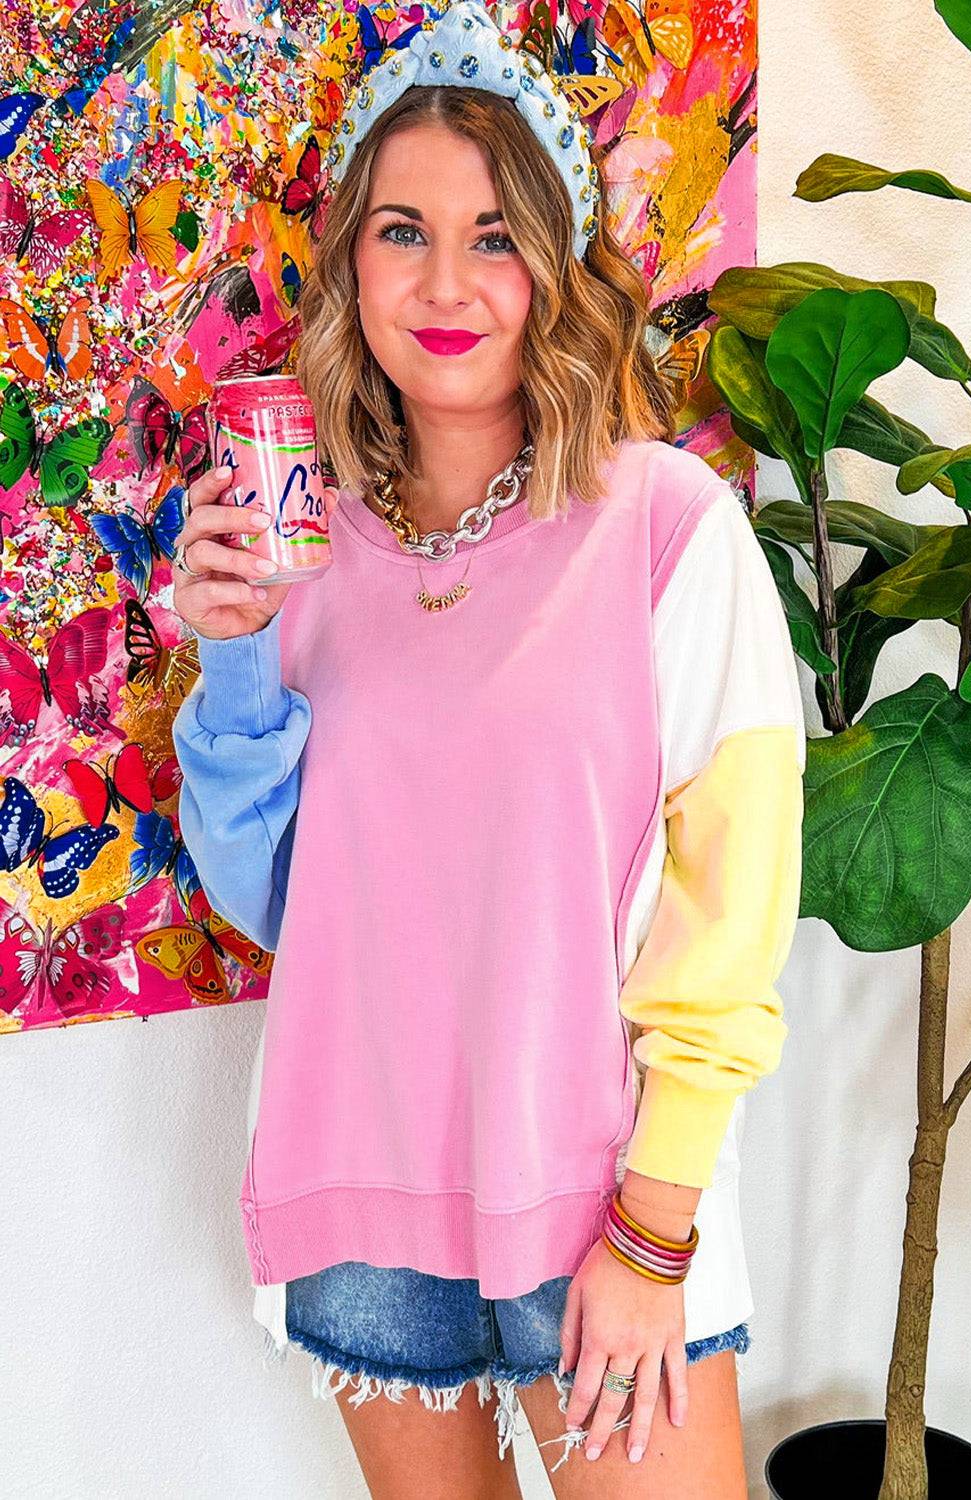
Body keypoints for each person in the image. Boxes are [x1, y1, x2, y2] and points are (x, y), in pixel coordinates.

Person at [170, 3, 806, 1494]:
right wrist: (239, 650)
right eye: (402, 231)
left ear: (553, 267)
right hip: (360, 1198)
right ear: (350, 263)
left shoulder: (663, 525)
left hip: (604, 1200)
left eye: (495, 235)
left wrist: (655, 1229)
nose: (445, 283)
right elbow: (276, 905)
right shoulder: (297, 542)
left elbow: (734, 908)